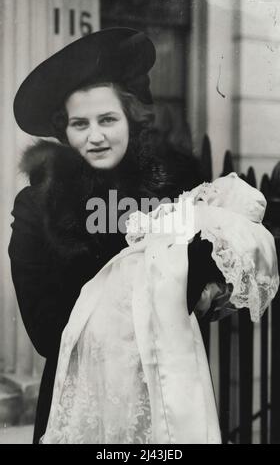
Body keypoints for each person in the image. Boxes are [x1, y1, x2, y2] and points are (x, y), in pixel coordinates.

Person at [9, 28, 278, 444]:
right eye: (80, 124)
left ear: (131, 120)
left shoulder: (173, 191)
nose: (95, 136)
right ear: (64, 132)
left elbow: (207, 290)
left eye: (108, 120)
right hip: (79, 399)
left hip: (169, 396)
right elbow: (46, 331)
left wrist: (203, 286)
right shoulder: (36, 209)